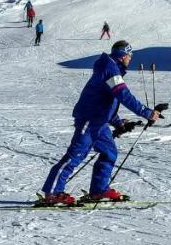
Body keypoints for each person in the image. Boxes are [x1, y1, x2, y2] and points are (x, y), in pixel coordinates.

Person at [39, 41, 160, 206]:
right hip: (90, 119)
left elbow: (105, 100)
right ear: (123, 55)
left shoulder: (111, 67)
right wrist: (147, 112)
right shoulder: (109, 69)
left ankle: (99, 190)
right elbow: (123, 95)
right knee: (75, 155)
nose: (131, 59)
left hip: (100, 121)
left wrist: (117, 121)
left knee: (109, 153)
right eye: (130, 55)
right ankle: (52, 192)